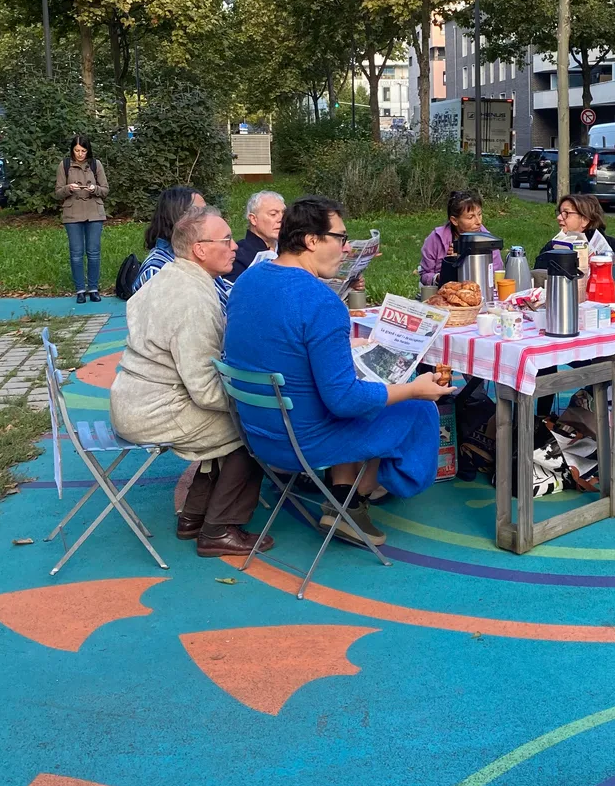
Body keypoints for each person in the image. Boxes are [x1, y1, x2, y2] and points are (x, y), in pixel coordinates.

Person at [226, 196, 447, 548]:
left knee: (370, 389)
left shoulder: (249, 281)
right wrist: (415, 390)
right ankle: (366, 494)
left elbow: (280, 346)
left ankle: (346, 502)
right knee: (411, 406)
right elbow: (344, 401)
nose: (346, 249)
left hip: (258, 431)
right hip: (302, 441)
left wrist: (342, 352)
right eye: (341, 239)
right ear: (312, 241)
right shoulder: (321, 301)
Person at [110, 204, 271, 558]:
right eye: (226, 240)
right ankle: (219, 529)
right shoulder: (194, 299)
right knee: (257, 430)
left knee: (234, 424)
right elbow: (203, 388)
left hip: (132, 398)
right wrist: (250, 402)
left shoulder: (169, 275)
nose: (234, 247)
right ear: (200, 249)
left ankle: (194, 517)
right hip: (154, 409)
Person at [536, 193, 615, 423]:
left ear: (585, 220)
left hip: (604, 326)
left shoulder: (611, 247)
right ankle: (541, 419)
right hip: (564, 327)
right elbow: (538, 282)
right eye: (559, 212)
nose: (559, 218)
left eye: (566, 213)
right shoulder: (554, 247)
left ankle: (614, 430)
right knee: (542, 359)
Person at [134, 185, 231, 313]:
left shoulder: (195, 258)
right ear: (177, 218)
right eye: (199, 212)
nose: (207, 216)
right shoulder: (157, 271)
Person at [55, 134, 108, 304]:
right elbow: (57, 193)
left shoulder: (95, 164)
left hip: (94, 213)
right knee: (76, 254)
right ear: (72, 150)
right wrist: (68, 188)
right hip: (72, 214)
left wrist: (95, 189)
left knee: (93, 252)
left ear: (88, 150)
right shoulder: (64, 166)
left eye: (83, 151)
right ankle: (80, 289)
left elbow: (105, 189)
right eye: (77, 150)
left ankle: (93, 288)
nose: (80, 154)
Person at [419, 188, 504, 290]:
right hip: (443, 296)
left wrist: (467, 258)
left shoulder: (489, 242)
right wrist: (447, 267)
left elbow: (496, 276)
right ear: (454, 220)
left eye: (479, 214)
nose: (478, 221)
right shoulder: (436, 239)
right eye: (470, 217)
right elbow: (425, 275)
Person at [227, 190, 285, 282]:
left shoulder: (290, 249)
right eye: (273, 214)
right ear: (253, 219)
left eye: (283, 213)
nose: (281, 219)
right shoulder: (238, 256)